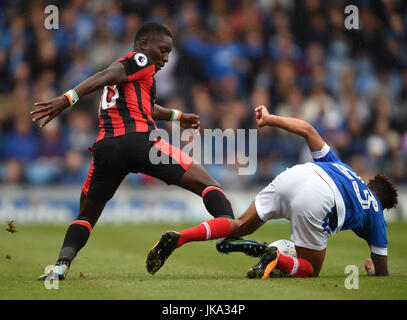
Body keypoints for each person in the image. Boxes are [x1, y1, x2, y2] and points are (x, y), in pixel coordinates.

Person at [33, 22, 236, 280]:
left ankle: (61, 266)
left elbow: (147, 107)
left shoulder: (138, 77)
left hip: (107, 149)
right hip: (142, 143)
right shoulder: (139, 60)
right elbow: (106, 74)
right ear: (144, 44)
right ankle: (230, 233)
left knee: (86, 215)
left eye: (169, 53)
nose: (165, 58)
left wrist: (178, 115)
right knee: (208, 184)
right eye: (162, 50)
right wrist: (67, 98)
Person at [146, 105, 398, 278]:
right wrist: (375, 272)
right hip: (319, 195)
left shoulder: (343, 167)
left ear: (367, 183)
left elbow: (308, 131)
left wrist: (270, 119)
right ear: (381, 203)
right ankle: (278, 258)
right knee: (310, 269)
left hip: (296, 174)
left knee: (241, 224)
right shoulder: (375, 211)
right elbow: (381, 267)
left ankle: (180, 237)